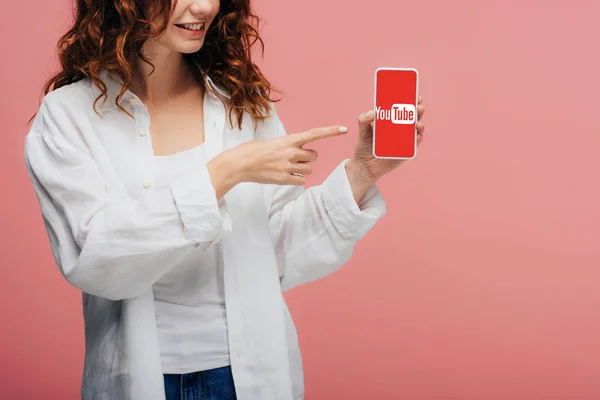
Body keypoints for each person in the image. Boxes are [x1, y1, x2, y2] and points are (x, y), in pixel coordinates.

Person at [23, 0, 425, 399]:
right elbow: (96, 260)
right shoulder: (68, 116)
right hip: (142, 381)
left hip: (246, 378)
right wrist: (225, 172)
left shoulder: (243, 104)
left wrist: (361, 173)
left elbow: (278, 254)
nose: (204, 7)